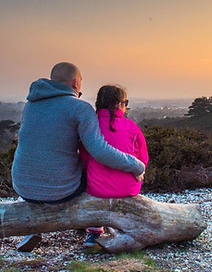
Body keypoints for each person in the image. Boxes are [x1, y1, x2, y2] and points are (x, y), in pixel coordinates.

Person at [11, 62, 145, 252]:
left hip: (23, 186)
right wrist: (136, 165)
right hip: (60, 191)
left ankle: (32, 228)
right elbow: (99, 151)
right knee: (92, 175)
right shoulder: (79, 108)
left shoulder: (30, 105)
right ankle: (95, 227)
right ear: (75, 82)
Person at [80, 84, 149, 247]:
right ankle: (122, 227)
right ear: (119, 104)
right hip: (129, 188)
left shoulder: (91, 127)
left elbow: (84, 159)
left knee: (90, 184)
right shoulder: (132, 127)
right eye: (126, 103)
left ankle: (94, 232)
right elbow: (143, 158)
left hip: (98, 188)